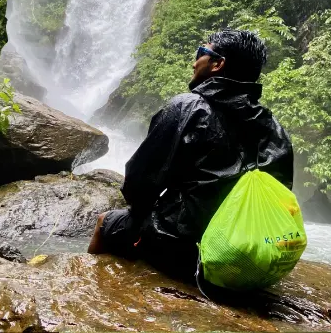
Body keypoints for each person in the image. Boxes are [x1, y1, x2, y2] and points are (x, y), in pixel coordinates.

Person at [87, 28, 294, 280]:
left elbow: (139, 184)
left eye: (201, 53)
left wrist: (142, 215)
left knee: (105, 221)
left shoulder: (187, 107)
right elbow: (282, 193)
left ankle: (89, 284)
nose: (194, 62)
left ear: (217, 64)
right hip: (249, 253)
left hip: (185, 249)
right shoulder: (274, 127)